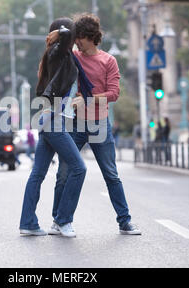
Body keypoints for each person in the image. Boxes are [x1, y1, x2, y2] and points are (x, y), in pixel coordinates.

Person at [52, 13, 141, 236]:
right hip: (76, 125)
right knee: (64, 173)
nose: (76, 42)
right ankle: (58, 220)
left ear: (88, 37)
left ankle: (125, 221)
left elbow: (114, 94)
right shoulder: (73, 56)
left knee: (111, 174)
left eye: (78, 38)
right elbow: (54, 55)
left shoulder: (108, 61)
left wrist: (88, 99)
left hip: (100, 124)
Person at [19, 17, 88, 238]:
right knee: (79, 168)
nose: (76, 40)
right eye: (73, 34)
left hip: (51, 119)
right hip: (54, 120)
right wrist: (64, 32)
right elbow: (66, 36)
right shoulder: (58, 53)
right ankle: (63, 220)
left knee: (37, 173)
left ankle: (28, 223)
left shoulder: (55, 56)